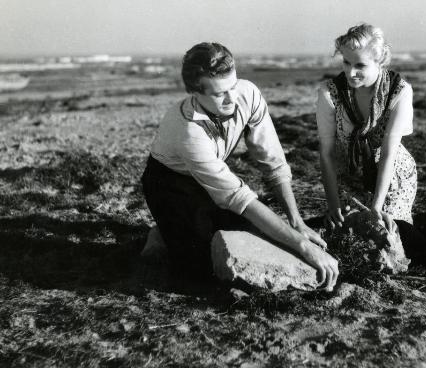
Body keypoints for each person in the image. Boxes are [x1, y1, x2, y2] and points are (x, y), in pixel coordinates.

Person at [141, 42, 338, 290]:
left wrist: (296, 222)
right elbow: (238, 198)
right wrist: (303, 245)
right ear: (194, 92)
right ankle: (161, 233)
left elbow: (273, 161)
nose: (231, 98)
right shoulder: (187, 130)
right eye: (219, 93)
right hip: (169, 182)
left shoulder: (248, 94)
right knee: (200, 268)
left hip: (211, 177)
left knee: (255, 233)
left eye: (232, 86)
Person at [316, 24, 426, 267]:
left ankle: (415, 221)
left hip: (393, 176)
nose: (350, 72)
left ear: (380, 62)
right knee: (349, 230)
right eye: (346, 62)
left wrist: (376, 207)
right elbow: (326, 153)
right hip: (352, 176)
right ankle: (414, 223)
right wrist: (333, 205)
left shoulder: (399, 91)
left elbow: (388, 151)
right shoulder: (329, 93)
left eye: (360, 65)